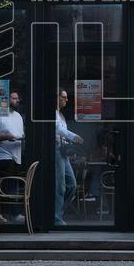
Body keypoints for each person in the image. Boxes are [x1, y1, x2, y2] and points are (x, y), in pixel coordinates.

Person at [0, 90, 25, 222]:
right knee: (9, 184)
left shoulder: (18, 116)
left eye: (17, 98)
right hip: (2, 156)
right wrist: (6, 136)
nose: (17, 101)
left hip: (17, 155)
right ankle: (13, 214)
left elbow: (21, 134)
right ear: (6, 99)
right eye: (14, 98)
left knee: (10, 185)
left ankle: (0, 214)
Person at [54, 89, 83, 225]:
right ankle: (56, 217)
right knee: (60, 186)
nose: (66, 100)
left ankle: (57, 212)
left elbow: (61, 133)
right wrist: (73, 136)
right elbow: (58, 129)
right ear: (57, 97)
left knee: (72, 184)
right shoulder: (52, 113)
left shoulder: (61, 114)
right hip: (56, 150)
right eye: (63, 97)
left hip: (62, 151)